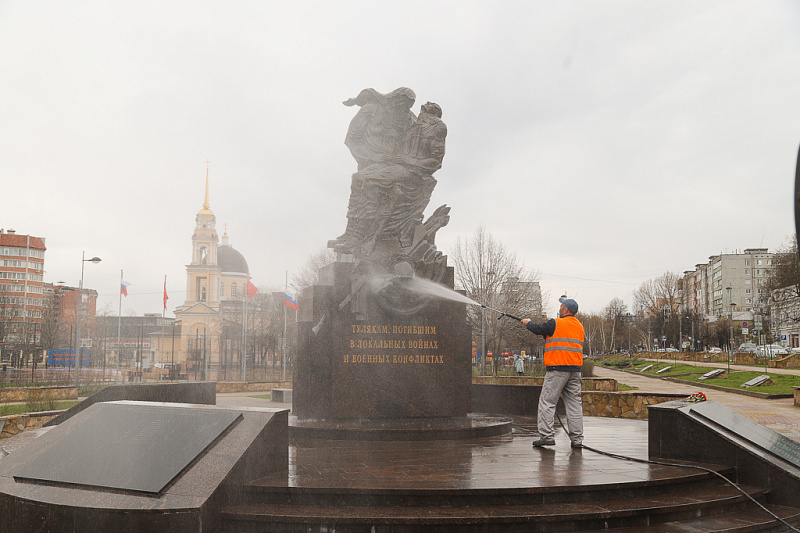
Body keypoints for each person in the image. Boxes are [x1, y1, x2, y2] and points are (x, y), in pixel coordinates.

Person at [521, 296, 585, 449]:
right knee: (575, 405)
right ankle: (577, 440)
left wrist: (527, 323)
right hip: (575, 371)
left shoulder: (555, 322)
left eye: (561, 306)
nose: (559, 309)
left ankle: (547, 436)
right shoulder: (579, 326)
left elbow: (538, 329)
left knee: (547, 402)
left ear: (565, 310)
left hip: (557, 369)